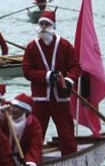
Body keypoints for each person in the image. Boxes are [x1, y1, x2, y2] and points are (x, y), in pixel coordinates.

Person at [21, 10, 81, 156]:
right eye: (41, 24)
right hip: (40, 98)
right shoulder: (31, 47)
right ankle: (32, 159)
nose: (43, 27)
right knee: (36, 132)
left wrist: (67, 80)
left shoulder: (65, 45)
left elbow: (75, 67)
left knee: (66, 132)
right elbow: (27, 71)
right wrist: (47, 76)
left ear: (53, 26)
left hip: (60, 98)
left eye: (46, 24)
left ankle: (70, 158)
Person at [1, 93, 44, 166]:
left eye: (17, 107)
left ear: (25, 110)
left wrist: (30, 162)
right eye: (12, 106)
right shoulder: (5, 118)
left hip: (24, 158)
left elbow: (36, 145)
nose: (13, 109)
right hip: (5, 159)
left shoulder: (33, 123)